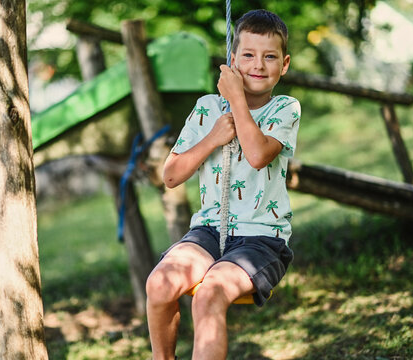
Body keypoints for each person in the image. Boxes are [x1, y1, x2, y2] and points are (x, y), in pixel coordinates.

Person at [145, 9, 300, 360]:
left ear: (284, 64)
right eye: (248, 55)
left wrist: (238, 100)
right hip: (209, 231)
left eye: (269, 56)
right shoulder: (206, 109)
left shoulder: (285, 108)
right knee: (159, 284)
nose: (258, 64)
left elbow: (258, 154)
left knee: (210, 293)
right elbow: (170, 176)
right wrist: (213, 138)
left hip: (262, 239)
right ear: (232, 60)